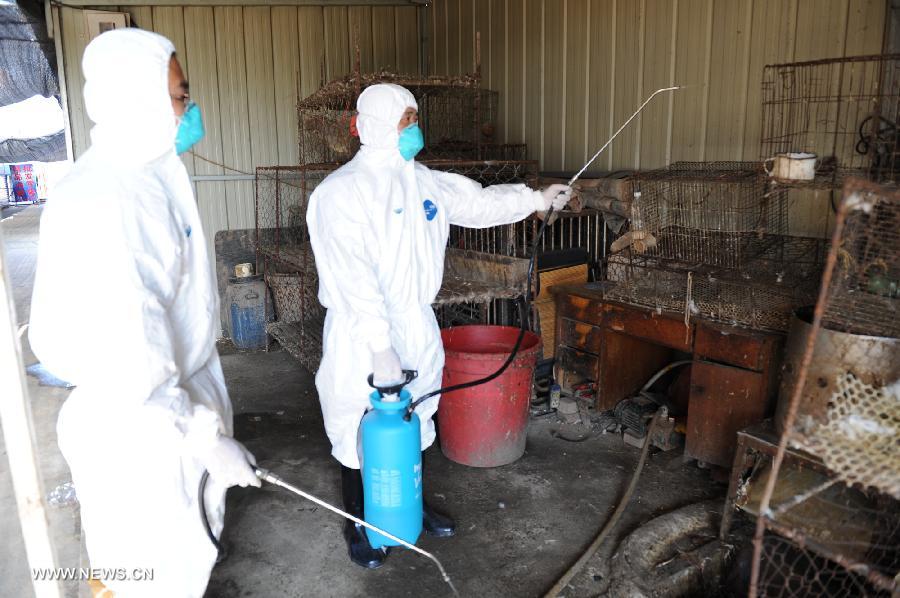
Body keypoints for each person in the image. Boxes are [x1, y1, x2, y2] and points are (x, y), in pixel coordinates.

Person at [29, 29, 259, 598]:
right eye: (180, 95)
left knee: (172, 563)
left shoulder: (145, 173)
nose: (191, 107)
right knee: (149, 574)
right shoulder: (113, 200)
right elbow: (135, 360)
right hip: (142, 426)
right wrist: (205, 437)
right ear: (138, 99)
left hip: (165, 409)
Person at [307, 83, 571, 569]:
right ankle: (359, 522)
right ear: (379, 125)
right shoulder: (340, 193)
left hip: (415, 321)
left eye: (414, 117)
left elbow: (479, 203)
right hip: (363, 332)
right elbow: (351, 277)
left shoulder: (424, 180)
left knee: (419, 415)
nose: (414, 128)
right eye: (406, 119)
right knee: (355, 426)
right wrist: (379, 347)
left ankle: (412, 504)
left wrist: (535, 198)